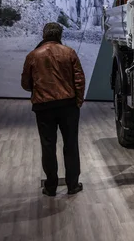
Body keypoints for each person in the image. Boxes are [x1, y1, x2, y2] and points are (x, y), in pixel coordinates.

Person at [21, 23, 85, 196]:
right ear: (60, 34)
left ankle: (50, 187)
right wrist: (78, 101)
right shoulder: (69, 52)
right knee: (71, 145)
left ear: (44, 34)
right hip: (68, 106)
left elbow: (25, 83)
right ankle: (72, 185)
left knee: (47, 146)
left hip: (43, 107)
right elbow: (79, 79)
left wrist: (38, 90)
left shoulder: (33, 55)